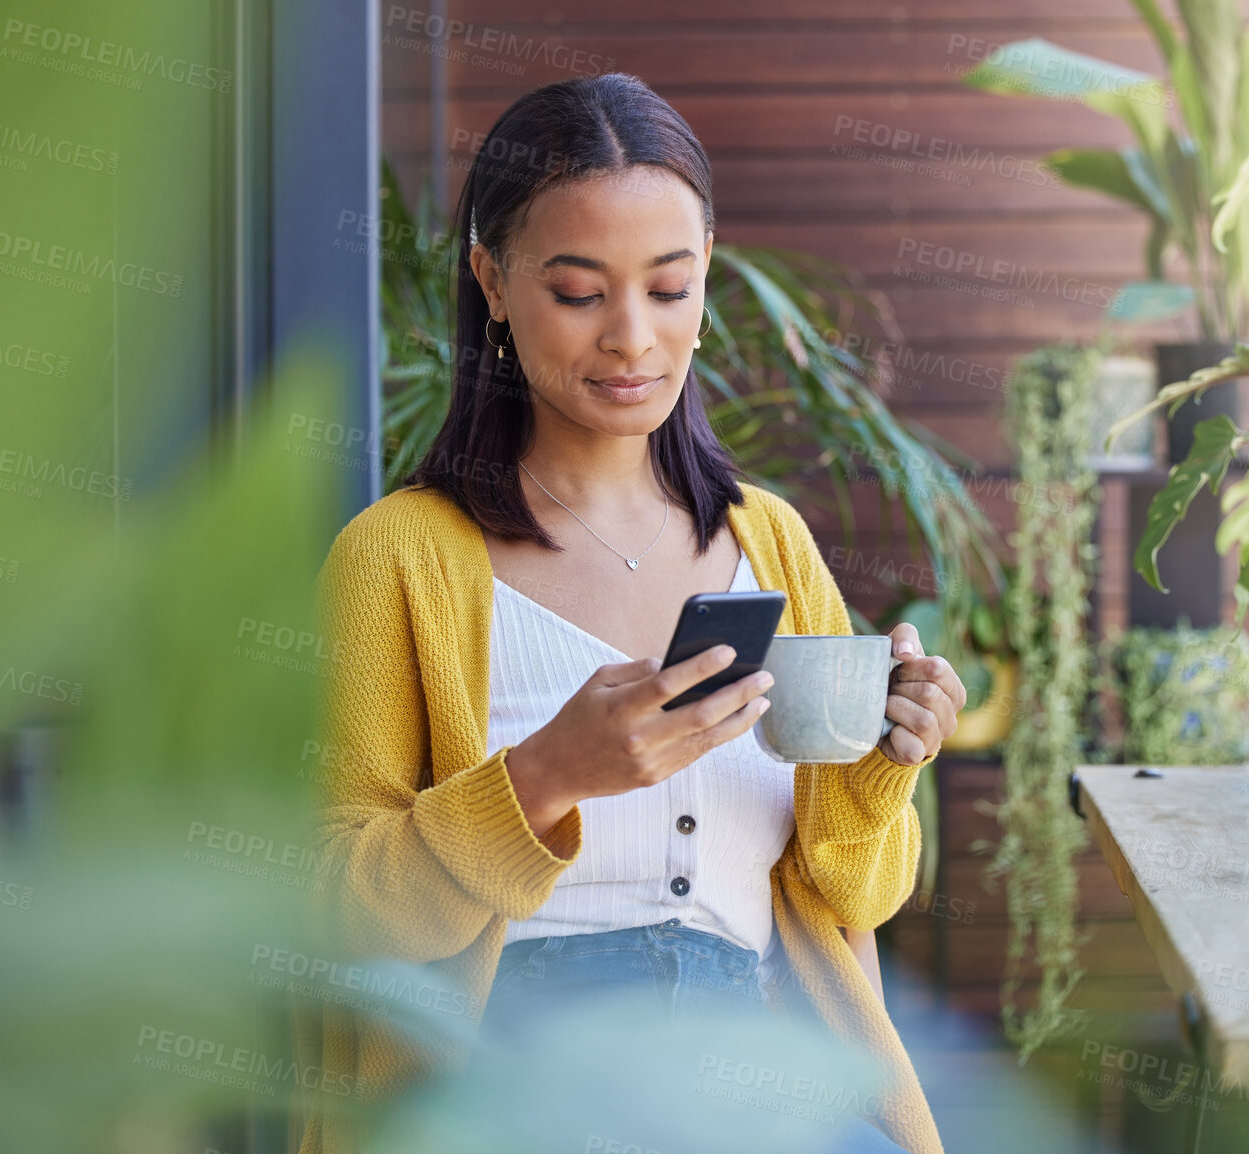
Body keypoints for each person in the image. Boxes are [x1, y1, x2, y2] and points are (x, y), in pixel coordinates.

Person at [298, 73, 962, 1154]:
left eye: (669, 286)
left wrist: (885, 766)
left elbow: (858, 897)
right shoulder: (400, 557)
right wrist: (543, 776)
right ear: (493, 283)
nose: (631, 337)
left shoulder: (772, 542)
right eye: (577, 291)